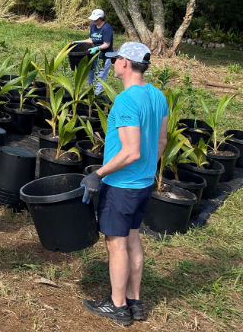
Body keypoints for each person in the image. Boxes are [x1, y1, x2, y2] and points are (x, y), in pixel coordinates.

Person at [79, 42, 168, 326]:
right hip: (142, 184)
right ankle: (134, 300)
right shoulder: (157, 96)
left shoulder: (127, 101)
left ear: (126, 64)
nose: (112, 63)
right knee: (132, 239)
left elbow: (131, 151)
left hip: (122, 185)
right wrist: (146, 170)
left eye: (115, 59)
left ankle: (117, 307)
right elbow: (161, 141)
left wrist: (99, 174)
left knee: (116, 244)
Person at [75, 8, 114, 95]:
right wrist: (79, 42)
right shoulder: (93, 26)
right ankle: (90, 95)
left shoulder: (107, 28)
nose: (94, 21)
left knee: (99, 77)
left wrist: (97, 48)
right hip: (94, 55)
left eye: (96, 20)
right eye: (93, 20)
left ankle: (96, 98)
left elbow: (106, 44)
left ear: (101, 18)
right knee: (91, 75)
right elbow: (91, 40)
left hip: (105, 56)